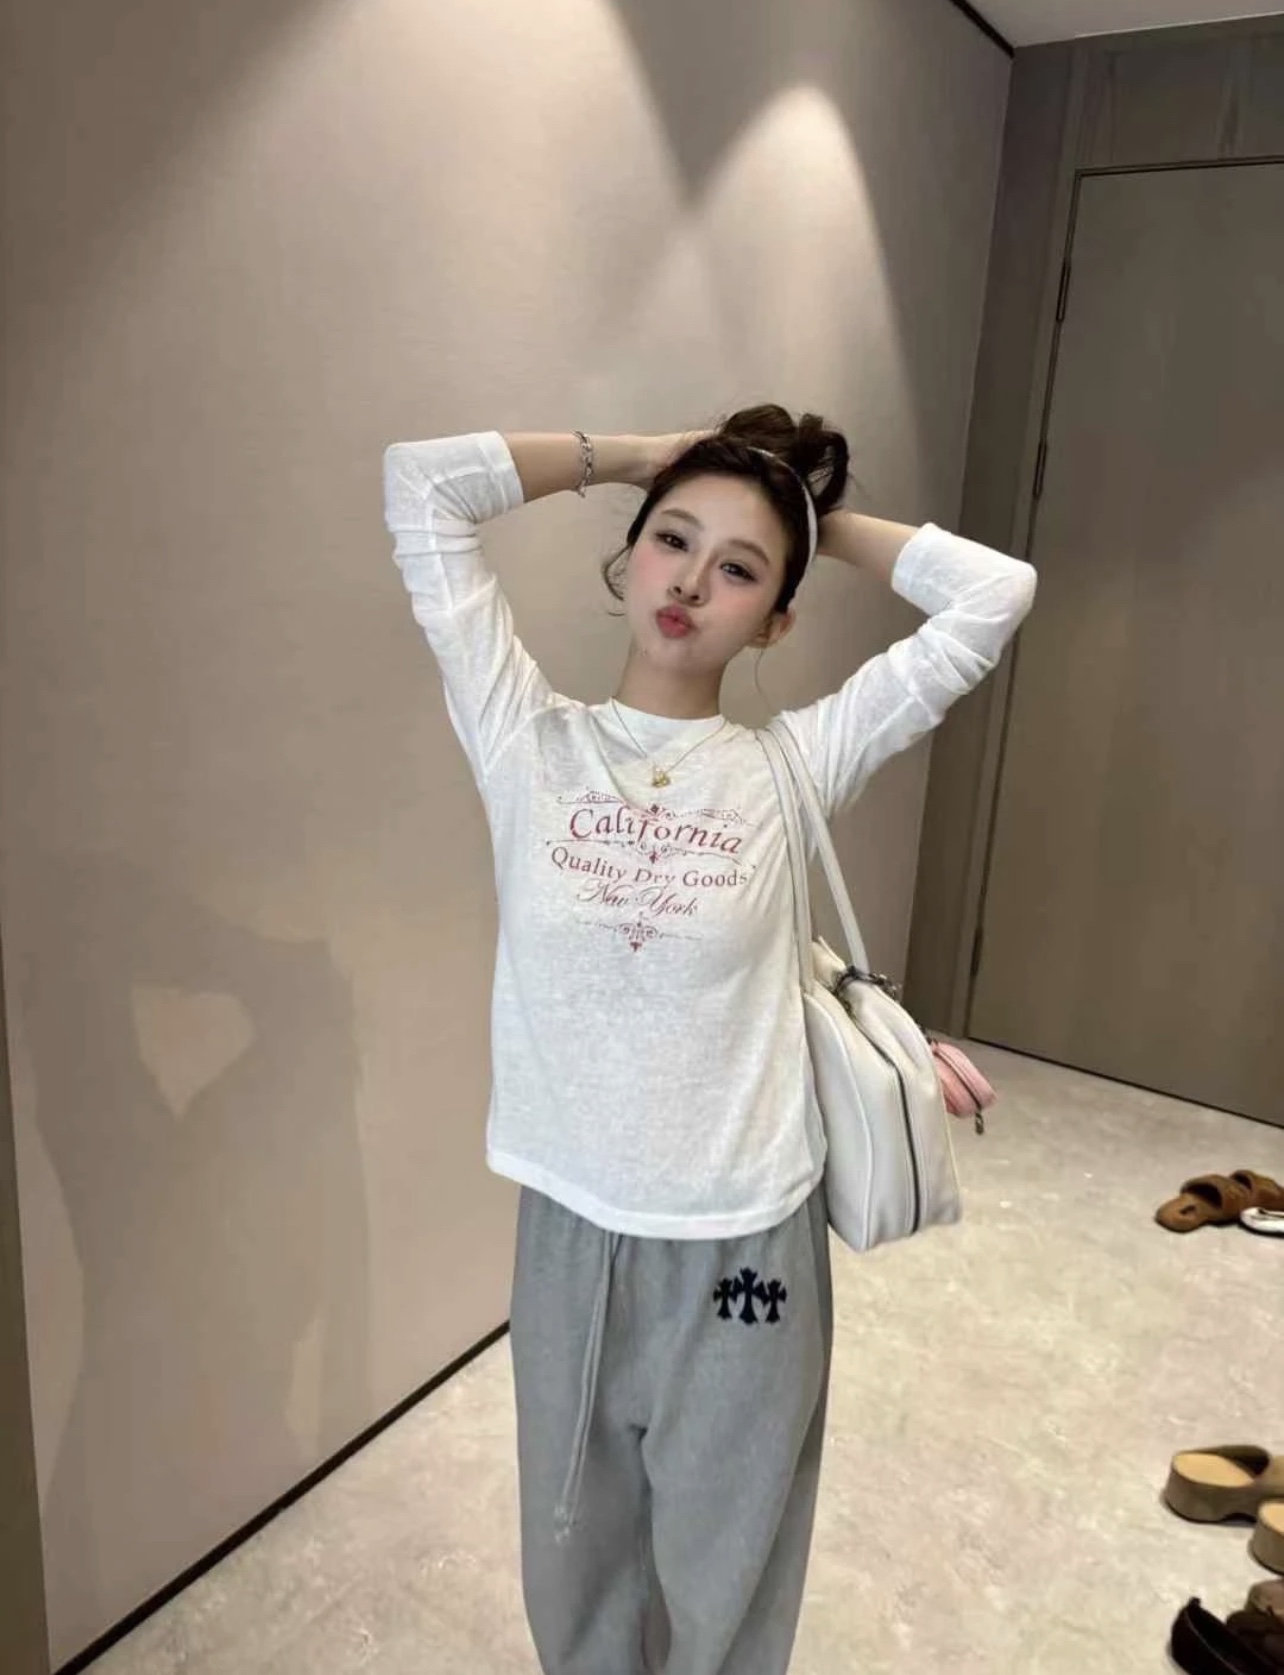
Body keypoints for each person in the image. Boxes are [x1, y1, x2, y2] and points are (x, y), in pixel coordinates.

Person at [381, 406, 1037, 1675]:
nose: (690, 582)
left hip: (744, 1236)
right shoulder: (529, 739)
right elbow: (422, 486)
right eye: (671, 541)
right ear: (628, 557)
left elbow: (993, 594)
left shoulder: (792, 766)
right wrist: (643, 457)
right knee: (573, 1552)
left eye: (739, 569)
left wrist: (811, 516)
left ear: (776, 620)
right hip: (570, 1225)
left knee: (727, 1556)